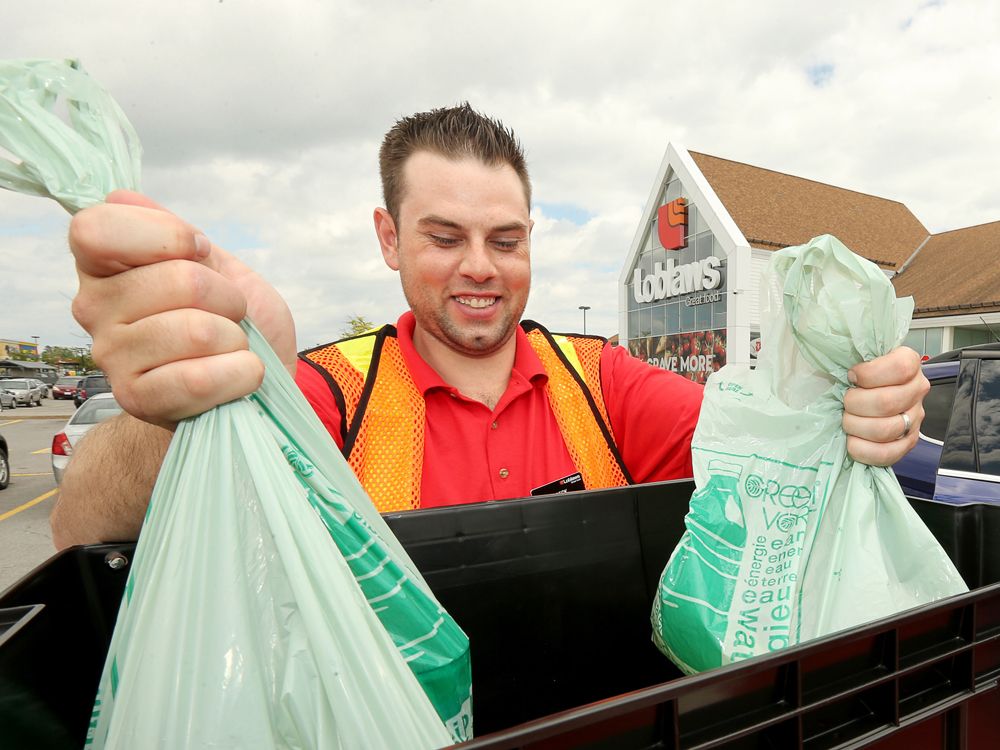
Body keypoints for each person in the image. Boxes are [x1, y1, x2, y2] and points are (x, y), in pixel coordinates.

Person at [50, 104, 928, 548]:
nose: (480, 265)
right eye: (444, 237)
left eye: (504, 240)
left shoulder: (603, 382)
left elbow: (765, 446)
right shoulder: (329, 396)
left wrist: (847, 394)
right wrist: (198, 393)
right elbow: (81, 530)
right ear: (388, 238)